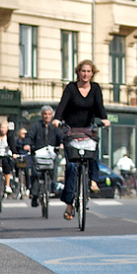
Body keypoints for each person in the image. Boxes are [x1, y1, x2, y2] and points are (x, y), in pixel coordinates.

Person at [54, 59, 110, 220]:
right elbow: (62, 105)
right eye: (83, 71)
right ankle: (69, 205)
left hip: (88, 130)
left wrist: (104, 119)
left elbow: (100, 107)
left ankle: (93, 180)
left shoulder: (96, 88)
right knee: (71, 167)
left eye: (88, 71)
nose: (85, 74)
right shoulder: (71, 88)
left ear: (93, 73)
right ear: (78, 72)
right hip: (71, 131)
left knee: (92, 154)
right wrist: (57, 119)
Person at [24, 105, 63, 207]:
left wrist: (62, 143)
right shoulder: (36, 126)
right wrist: (27, 144)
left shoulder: (55, 127)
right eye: (45, 114)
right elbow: (29, 136)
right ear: (42, 115)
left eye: (49, 114)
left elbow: (61, 136)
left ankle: (53, 186)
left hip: (51, 154)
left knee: (53, 168)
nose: (47, 116)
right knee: (36, 174)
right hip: (38, 153)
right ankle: (35, 195)